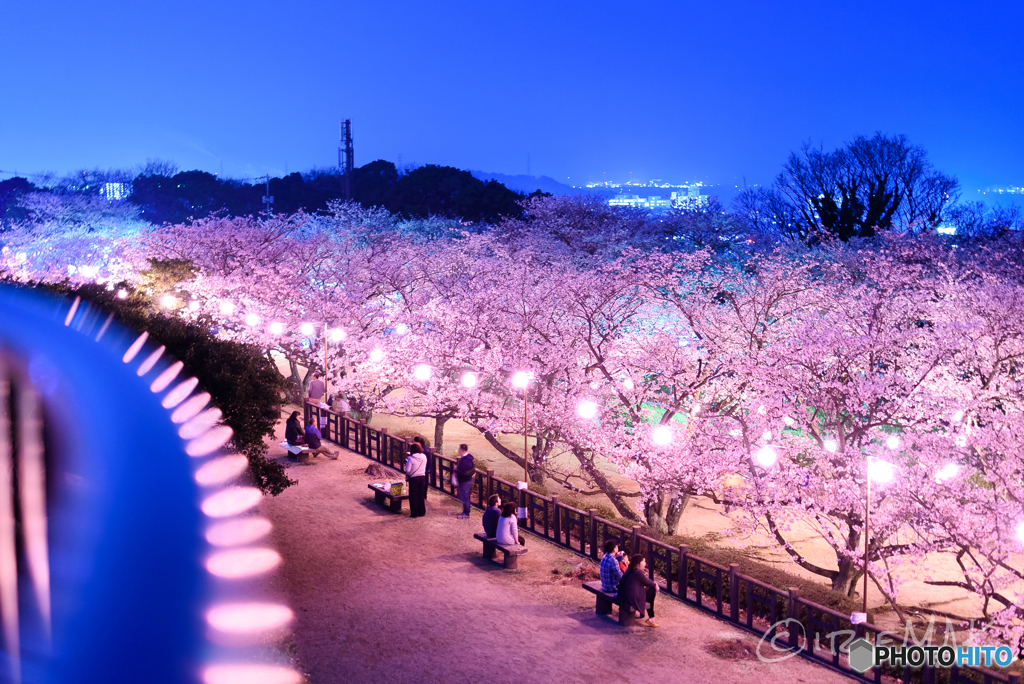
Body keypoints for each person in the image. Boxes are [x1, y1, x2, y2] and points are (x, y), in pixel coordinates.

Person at [619, 554, 659, 627]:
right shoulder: (637, 573)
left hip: (624, 596)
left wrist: (653, 584)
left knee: (650, 590)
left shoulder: (629, 569)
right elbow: (647, 582)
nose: (645, 563)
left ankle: (651, 617)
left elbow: (646, 580)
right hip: (631, 599)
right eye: (643, 561)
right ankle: (651, 617)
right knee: (652, 589)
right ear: (638, 564)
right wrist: (655, 585)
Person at [405, 443, 428, 518]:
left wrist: (407, 461)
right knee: (421, 495)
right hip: (422, 477)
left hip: (414, 478)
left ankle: (414, 513)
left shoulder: (411, 458)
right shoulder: (424, 456)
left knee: (413, 496)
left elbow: (407, 470)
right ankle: (422, 512)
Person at [455, 444, 475, 519]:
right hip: (469, 479)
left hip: (464, 481)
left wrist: (456, 470)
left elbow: (462, 471)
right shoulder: (469, 457)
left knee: (465, 498)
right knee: (466, 497)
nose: (458, 450)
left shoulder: (464, 460)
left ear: (461, 450)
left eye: (459, 449)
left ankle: (466, 513)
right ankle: (466, 511)